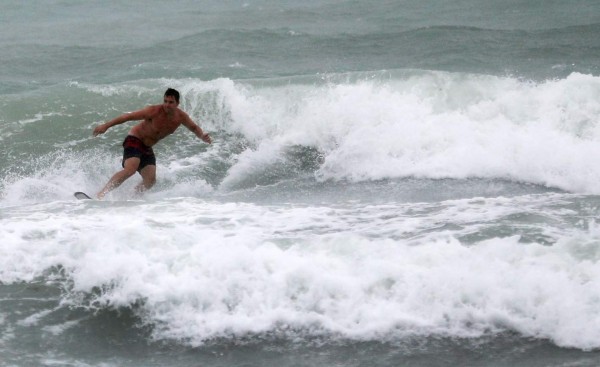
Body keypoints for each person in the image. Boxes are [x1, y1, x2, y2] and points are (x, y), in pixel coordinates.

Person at [92, 88, 212, 199]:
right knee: (130, 169)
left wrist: (202, 136)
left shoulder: (180, 117)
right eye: (165, 101)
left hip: (146, 147)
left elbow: (194, 127)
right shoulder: (153, 111)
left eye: (171, 102)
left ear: (177, 103)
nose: (167, 105)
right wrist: (106, 126)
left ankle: (131, 198)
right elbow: (128, 117)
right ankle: (101, 195)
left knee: (150, 180)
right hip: (135, 139)